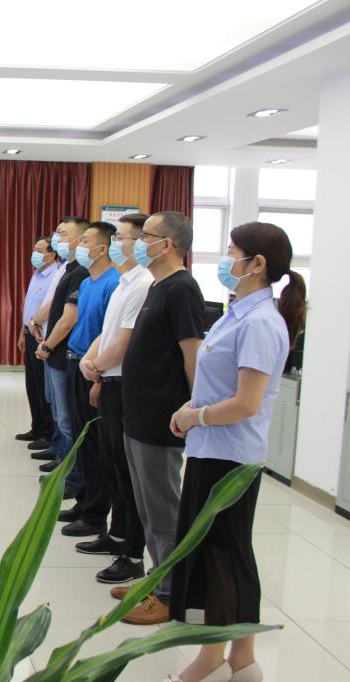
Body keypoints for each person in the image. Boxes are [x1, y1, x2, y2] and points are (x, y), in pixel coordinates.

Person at [163, 222, 305, 682]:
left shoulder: (261, 322)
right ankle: (240, 659)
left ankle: (216, 658)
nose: (225, 260)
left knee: (224, 556)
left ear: (257, 264)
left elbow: (246, 403)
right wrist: (191, 410)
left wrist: (195, 417)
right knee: (224, 553)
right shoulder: (237, 312)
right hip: (212, 450)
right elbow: (218, 382)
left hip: (230, 457)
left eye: (231, 251)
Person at [118, 211, 204, 625]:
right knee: (147, 508)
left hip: (160, 418)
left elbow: (192, 354)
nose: (138, 243)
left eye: (145, 237)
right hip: (138, 414)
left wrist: (195, 411)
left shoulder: (183, 289)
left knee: (164, 511)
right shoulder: (158, 285)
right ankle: (156, 579)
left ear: (166, 244)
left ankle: (171, 593)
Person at [77, 214, 153, 585]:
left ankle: (133, 553)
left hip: (124, 384)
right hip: (108, 379)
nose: (117, 244)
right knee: (113, 467)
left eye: (123, 238)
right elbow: (106, 334)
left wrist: (96, 366)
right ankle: (117, 534)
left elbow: (124, 343)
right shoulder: (125, 281)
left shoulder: (144, 284)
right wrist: (92, 363)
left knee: (128, 473)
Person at [59, 222, 120, 537]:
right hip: (75, 362)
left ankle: (95, 513)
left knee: (95, 444)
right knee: (80, 441)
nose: (79, 246)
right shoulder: (86, 282)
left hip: (94, 370)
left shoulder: (114, 283)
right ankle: (83, 502)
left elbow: (109, 336)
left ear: (102, 248)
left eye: (85, 241)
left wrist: (100, 378)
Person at [32, 217, 90, 497]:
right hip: (55, 350)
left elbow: (69, 319)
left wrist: (47, 345)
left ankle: (73, 475)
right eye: (57, 233)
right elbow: (53, 306)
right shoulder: (67, 269)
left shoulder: (80, 273)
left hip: (64, 351)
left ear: (81, 240)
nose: (58, 239)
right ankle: (63, 463)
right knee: (59, 412)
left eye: (64, 234)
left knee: (67, 418)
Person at [16, 236, 62, 448]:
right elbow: (30, 306)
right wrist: (23, 331)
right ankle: (36, 427)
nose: (34, 253)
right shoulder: (37, 274)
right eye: (34, 249)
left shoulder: (55, 275)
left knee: (44, 387)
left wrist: (35, 327)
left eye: (39, 250)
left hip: (42, 336)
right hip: (30, 333)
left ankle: (47, 432)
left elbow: (50, 308)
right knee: (32, 384)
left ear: (51, 255)